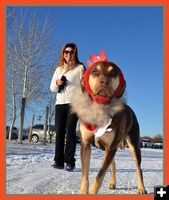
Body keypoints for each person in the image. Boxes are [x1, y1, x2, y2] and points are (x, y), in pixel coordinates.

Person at [50, 43, 85, 171]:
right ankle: (58, 161)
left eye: (71, 52)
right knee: (59, 133)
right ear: (63, 53)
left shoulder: (80, 67)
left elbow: (84, 88)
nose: (68, 54)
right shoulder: (59, 69)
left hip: (73, 103)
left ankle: (70, 162)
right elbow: (52, 88)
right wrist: (57, 82)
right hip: (59, 104)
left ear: (75, 53)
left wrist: (83, 80)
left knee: (70, 132)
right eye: (66, 52)